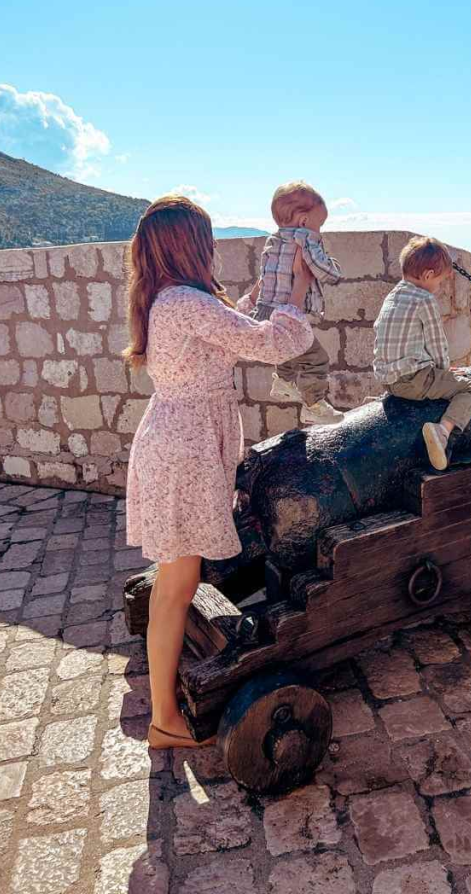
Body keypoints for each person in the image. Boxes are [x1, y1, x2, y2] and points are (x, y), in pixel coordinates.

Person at [124, 194, 314, 749]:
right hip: (186, 452)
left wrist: (270, 281)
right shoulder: (183, 301)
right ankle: (164, 720)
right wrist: (297, 290)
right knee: (177, 585)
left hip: (177, 441)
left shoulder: (170, 298)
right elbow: (270, 342)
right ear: (191, 245)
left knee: (173, 583)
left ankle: (165, 707)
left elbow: (234, 323)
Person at [374, 236, 471, 470]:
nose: (440, 287)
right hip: (414, 381)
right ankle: (442, 432)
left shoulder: (392, 297)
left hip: (388, 381)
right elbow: (437, 345)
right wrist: (443, 373)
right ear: (427, 276)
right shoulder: (424, 300)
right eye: (440, 281)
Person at [245, 180, 345, 425]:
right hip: (287, 311)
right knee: (316, 358)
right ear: (303, 221)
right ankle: (313, 404)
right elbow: (322, 269)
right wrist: (335, 272)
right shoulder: (305, 238)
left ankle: (283, 381)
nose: (319, 231)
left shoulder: (272, 241)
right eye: (319, 224)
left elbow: (264, 277)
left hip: (264, 310)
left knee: (287, 347)